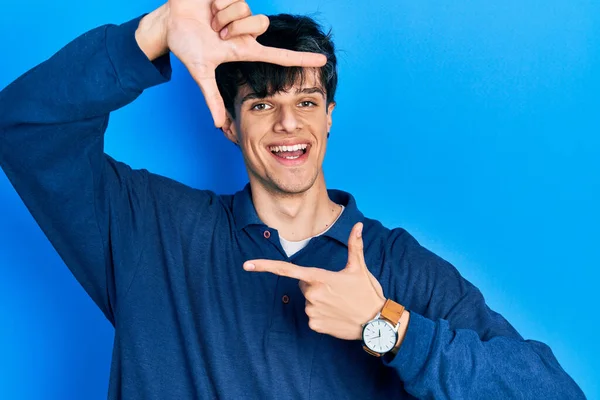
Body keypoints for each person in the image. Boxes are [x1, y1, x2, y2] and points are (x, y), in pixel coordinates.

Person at [0, 0, 586, 399]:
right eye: (261, 104)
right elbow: (25, 129)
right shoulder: (147, 230)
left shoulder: (397, 265)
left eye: (305, 102)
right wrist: (151, 33)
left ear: (329, 118)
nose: (287, 124)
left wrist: (387, 327)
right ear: (228, 123)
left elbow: (552, 392)